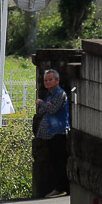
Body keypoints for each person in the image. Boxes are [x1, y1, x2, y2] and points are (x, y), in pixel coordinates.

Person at [35, 69, 70, 197]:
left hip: (59, 131)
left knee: (60, 161)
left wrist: (41, 103)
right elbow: (42, 112)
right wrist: (44, 105)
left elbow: (52, 109)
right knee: (54, 161)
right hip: (50, 132)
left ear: (57, 80)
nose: (48, 82)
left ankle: (62, 187)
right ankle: (59, 187)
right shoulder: (49, 95)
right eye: (46, 80)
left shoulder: (60, 94)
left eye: (50, 80)